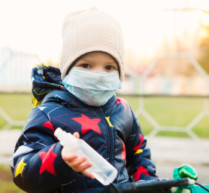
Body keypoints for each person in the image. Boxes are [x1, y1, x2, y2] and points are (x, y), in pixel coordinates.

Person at [10, 8, 157, 193]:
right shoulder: (48, 114)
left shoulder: (123, 111)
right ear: (67, 68)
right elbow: (21, 169)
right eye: (86, 65)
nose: (98, 75)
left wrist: (149, 184)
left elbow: (139, 154)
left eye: (109, 67)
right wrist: (59, 159)